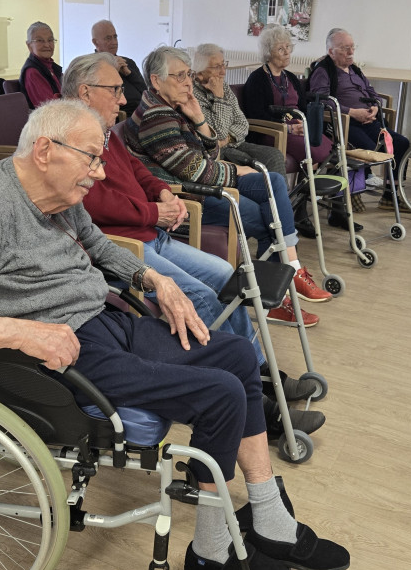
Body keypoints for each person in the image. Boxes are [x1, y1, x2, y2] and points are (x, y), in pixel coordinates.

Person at [0, 99, 349, 570]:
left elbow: (101, 244)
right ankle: (211, 552)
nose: (100, 171)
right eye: (91, 157)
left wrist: (153, 278)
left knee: (237, 357)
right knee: (219, 393)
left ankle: (265, 514)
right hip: (59, 355)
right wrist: (21, 332)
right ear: (45, 150)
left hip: (106, 319)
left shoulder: (59, 196)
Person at [62, 52, 323, 425]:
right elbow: (96, 204)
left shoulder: (102, 128)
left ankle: (262, 373)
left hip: (151, 233)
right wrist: (155, 211)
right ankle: (253, 400)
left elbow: (136, 168)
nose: (123, 99)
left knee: (224, 275)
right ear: (85, 92)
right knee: (199, 295)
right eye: (115, 90)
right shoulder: (72, 135)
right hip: (123, 246)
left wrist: (162, 194)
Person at [125, 47, 333, 324]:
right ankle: (280, 291)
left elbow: (211, 154)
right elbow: (193, 170)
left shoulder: (174, 107)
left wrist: (199, 119)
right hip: (186, 200)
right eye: (179, 76)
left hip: (197, 187)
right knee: (266, 217)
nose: (188, 82)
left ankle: (289, 272)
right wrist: (236, 173)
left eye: (188, 74)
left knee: (272, 182)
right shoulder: (156, 117)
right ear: (155, 80)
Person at [242, 25, 333, 234]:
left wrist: (303, 124)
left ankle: (299, 206)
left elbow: (301, 108)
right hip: (272, 132)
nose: (287, 53)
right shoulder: (257, 79)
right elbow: (255, 115)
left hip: (295, 129)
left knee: (327, 148)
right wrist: (288, 129)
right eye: (281, 49)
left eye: (288, 48)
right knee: (315, 152)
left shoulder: (290, 77)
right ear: (268, 52)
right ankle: (297, 208)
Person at [308, 29, 410, 212]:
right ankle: (351, 193)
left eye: (352, 47)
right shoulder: (323, 71)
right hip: (344, 124)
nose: (351, 52)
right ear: (331, 51)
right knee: (368, 150)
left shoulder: (355, 69)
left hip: (370, 121)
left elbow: (372, 92)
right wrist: (353, 112)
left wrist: (376, 107)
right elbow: (321, 101)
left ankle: (390, 195)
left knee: (401, 143)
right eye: (345, 48)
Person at [191, 43, 286, 176]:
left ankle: (279, 196)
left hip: (235, 143)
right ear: (200, 71)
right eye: (217, 67)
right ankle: (267, 195)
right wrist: (218, 98)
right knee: (256, 166)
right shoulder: (193, 95)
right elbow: (219, 133)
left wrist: (228, 138)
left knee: (274, 155)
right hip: (215, 153)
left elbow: (242, 123)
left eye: (224, 64)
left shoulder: (224, 86)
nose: (223, 71)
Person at [91, 19, 146, 115]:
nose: (114, 42)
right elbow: (99, 99)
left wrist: (129, 74)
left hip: (141, 113)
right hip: (118, 117)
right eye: (108, 38)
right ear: (96, 42)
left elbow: (146, 93)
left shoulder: (128, 62)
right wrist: (113, 72)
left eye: (115, 37)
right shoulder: (92, 65)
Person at [20, 21, 62, 108]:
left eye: (50, 40)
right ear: (29, 45)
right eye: (40, 41)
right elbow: (49, 108)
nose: (47, 45)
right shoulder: (32, 72)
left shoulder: (52, 67)